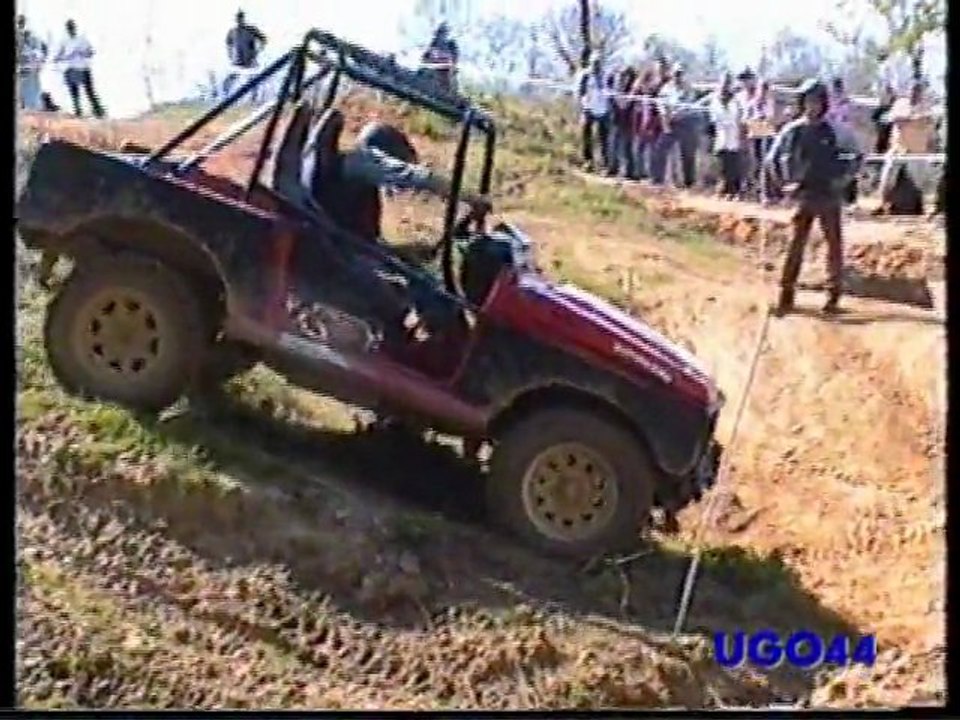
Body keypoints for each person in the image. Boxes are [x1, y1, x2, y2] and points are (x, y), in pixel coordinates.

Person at [766, 78, 861, 316]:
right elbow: (772, 159)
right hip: (803, 194)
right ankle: (786, 294)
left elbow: (857, 157)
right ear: (802, 102)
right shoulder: (793, 130)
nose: (813, 106)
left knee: (834, 246)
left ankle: (833, 296)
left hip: (829, 193)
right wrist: (783, 185)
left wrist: (843, 180)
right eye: (808, 101)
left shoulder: (837, 130)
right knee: (795, 245)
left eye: (817, 101)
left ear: (824, 103)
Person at [306, 120, 491, 242]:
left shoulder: (354, 167)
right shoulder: (365, 160)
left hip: (343, 242)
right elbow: (420, 178)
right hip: (343, 249)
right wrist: (471, 198)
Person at [54, 19, 105, 118]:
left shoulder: (82, 39)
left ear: (75, 28)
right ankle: (78, 111)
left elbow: (91, 52)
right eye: (69, 27)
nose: (71, 29)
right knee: (74, 92)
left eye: (72, 27)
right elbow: (57, 57)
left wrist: (83, 52)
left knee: (89, 91)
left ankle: (98, 111)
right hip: (71, 68)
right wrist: (68, 55)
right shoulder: (63, 41)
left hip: (83, 67)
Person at [709, 75, 745, 199]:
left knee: (734, 165)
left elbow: (740, 118)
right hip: (721, 135)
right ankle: (724, 190)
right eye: (723, 83)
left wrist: (741, 136)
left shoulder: (736, 100)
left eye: (727, 83)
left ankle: (735, 192)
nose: (725, 86)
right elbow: (713, 120)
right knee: (722, 165)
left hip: (734, 135)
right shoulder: (714, 100)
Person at [574, 56, 612, 172]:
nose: (596, 66)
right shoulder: (585, 76)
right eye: (594, 63)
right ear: (591, 63)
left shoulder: (605, 76)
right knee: (587, 136)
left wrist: (609, 108)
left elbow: (611, 93)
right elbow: (579, 92)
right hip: (588, 109)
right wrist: (581, 107)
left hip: (603, 110)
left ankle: (604, 164)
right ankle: (588, 161)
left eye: (598, 63)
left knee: (603, 139)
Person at [225, 10, 266, 97]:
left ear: (243, 18)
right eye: (238, 18)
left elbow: (263, 40)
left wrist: (257, 52)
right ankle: (226, 96)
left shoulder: (251, 29)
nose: (239, 20)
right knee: (230, 79)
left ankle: (254, 97)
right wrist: (230, 55)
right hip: (238, 60)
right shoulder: (232, 31)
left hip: (250, 59)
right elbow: (228, 43)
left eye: (241, 18)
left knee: (252, 79)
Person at [745, 79, 776, 194]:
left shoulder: (770, 103)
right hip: (755, 135)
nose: (763, 91)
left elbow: (772, 119)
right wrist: (755, 120)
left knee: (766, 163)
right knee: (756, 163)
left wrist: (767, 119)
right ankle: (756, 188)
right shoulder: (752, 104)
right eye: (761, 88)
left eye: (765, 89)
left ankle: (767, 190)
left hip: (767, 135)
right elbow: (745, 119)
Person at [630, 69, 660, 180]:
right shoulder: (638, 93)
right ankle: (638, 173)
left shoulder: (655, 94)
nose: (648, 83)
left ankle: (651, 175)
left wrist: (653, 126)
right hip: (639, 125)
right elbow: (632, 102)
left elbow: (657, 112)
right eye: (647, 80)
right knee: (638, 149)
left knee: (651, 151)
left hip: (651, 125)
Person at [609, 67, 638, 178]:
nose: (624, 78)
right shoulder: (618, 88)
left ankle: (630, 172)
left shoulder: (633, 90)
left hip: (628, 122)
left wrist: (618, 96)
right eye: (622, 76)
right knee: (614, 145)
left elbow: (624, 104)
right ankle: (613, 169)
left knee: (627, 147)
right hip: (616, 120)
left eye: (626, 76)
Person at [17, 15, 47, 111]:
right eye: (19, 22)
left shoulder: (31, 34)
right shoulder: (19, 33)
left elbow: (41, 49)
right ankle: (24, 104)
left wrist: (39, 62)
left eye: (22, 21)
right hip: (23, 64)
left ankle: (29, 105)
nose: (21, 23)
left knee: (31, 85)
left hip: (29, 65)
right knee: (22, 85)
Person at [421, 22, 459, 92]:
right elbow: (424, 59)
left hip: (444, 72)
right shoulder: (434, 44)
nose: (441, 34)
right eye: (440, 32)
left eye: (443, 32)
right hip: (433, 73)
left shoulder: (450, 44)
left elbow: (453, 60)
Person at [871, 82, 895, 154]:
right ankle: (879, 150)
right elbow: (874, 119)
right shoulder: (881, 109)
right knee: (882, 135)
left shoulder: (894, 108)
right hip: (882, 128)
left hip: (890, 129)